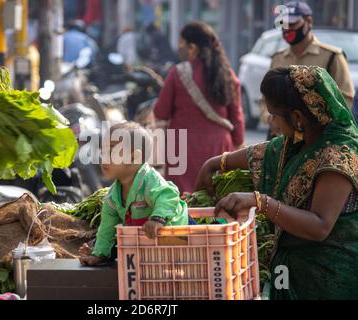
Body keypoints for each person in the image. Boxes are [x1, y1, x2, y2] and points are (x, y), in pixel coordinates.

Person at [196, 65, 358, 300]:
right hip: (293, 266)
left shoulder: (338, 156)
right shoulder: (302, 141)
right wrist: (214, 164)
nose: (270, 122)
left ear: (298, 117)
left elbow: (319, 226)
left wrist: (261, 202)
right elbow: (263, 152)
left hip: (329, 276)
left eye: (274, 115)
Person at [79, 122, 189, 266]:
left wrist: (158, 219)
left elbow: (168, 195)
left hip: (176, 231)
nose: (103, 158)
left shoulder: (149, 180)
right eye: (103, 152)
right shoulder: (113, 196)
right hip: (146, 241)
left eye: (111, 152)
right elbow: (106, 228)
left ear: (133, 158)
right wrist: (99, 254)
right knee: (112, 244)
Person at [153, 22, 245, 194]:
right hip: (219, 147)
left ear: (192, 47)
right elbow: (237, 117)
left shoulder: (177, 73)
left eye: (181, 43)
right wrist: (238, 144)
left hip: (182, 148)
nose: (179, 47)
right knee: (216, 198)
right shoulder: (227, 73)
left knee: (181, 202)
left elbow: (161, 112)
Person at [265, 1, 355, 138]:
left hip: (320, 138)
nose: (287, 29)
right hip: (282, 137)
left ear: (309, 21)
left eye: (293, 23)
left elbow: (345, 99)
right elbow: (266, 97)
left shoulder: (332, 56)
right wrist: (270, 118)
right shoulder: (277, 58)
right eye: (283, 24)